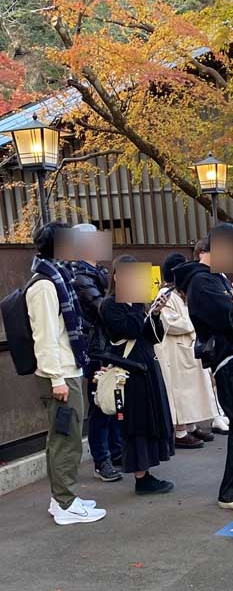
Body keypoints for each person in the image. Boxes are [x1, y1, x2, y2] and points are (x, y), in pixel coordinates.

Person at [174, 231, 233, 512]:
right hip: (228, 358)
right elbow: (229, 316)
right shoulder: (202, 281)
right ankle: (231, 491)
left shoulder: (213, 278)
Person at [27, 222, 107, 525]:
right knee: (66, 439)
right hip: (58, 374)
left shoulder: (56, 276)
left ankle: (62, 497)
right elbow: (45, 337)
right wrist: (57, 379)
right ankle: (64, 503)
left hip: (65, 369)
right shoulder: (45, 284)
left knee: (65, 437)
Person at [100, 255, 175, 495]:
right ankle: (141, 478)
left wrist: (154, 312)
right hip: (129, 372)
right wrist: (136, 303)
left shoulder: (137, 303)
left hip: (147, 368)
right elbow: (131, 329)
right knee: (137, 424)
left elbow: (153, 336)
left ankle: (147, 472)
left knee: (151, 420)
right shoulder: (110, 305)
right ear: (116, 276)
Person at [69, 224, 123, 483]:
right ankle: (102, 459)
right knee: (101, 403)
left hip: (108, 344)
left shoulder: (99, 271)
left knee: (114, 398)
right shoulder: (79, 276)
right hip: (95, 347)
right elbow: (102, 307)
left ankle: (117, 451)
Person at [154, 253, 221, 450]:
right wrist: (195, 321)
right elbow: (169, 322)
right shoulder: (166, 294)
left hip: (187, 348)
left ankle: (191, 425)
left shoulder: (182, 293)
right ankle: (180, 431)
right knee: (180, 391)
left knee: (192, 390)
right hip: (175, 351)